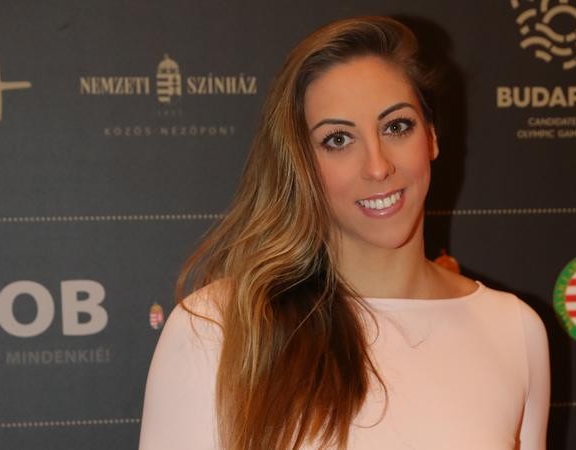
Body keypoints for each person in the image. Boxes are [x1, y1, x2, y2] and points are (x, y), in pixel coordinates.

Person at [139, 16, 550, 450]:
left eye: (396, 126)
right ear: (301, 164)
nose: (378, 166)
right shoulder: (218, 329)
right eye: (338, 139)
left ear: (431, 136)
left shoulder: (513, 330)